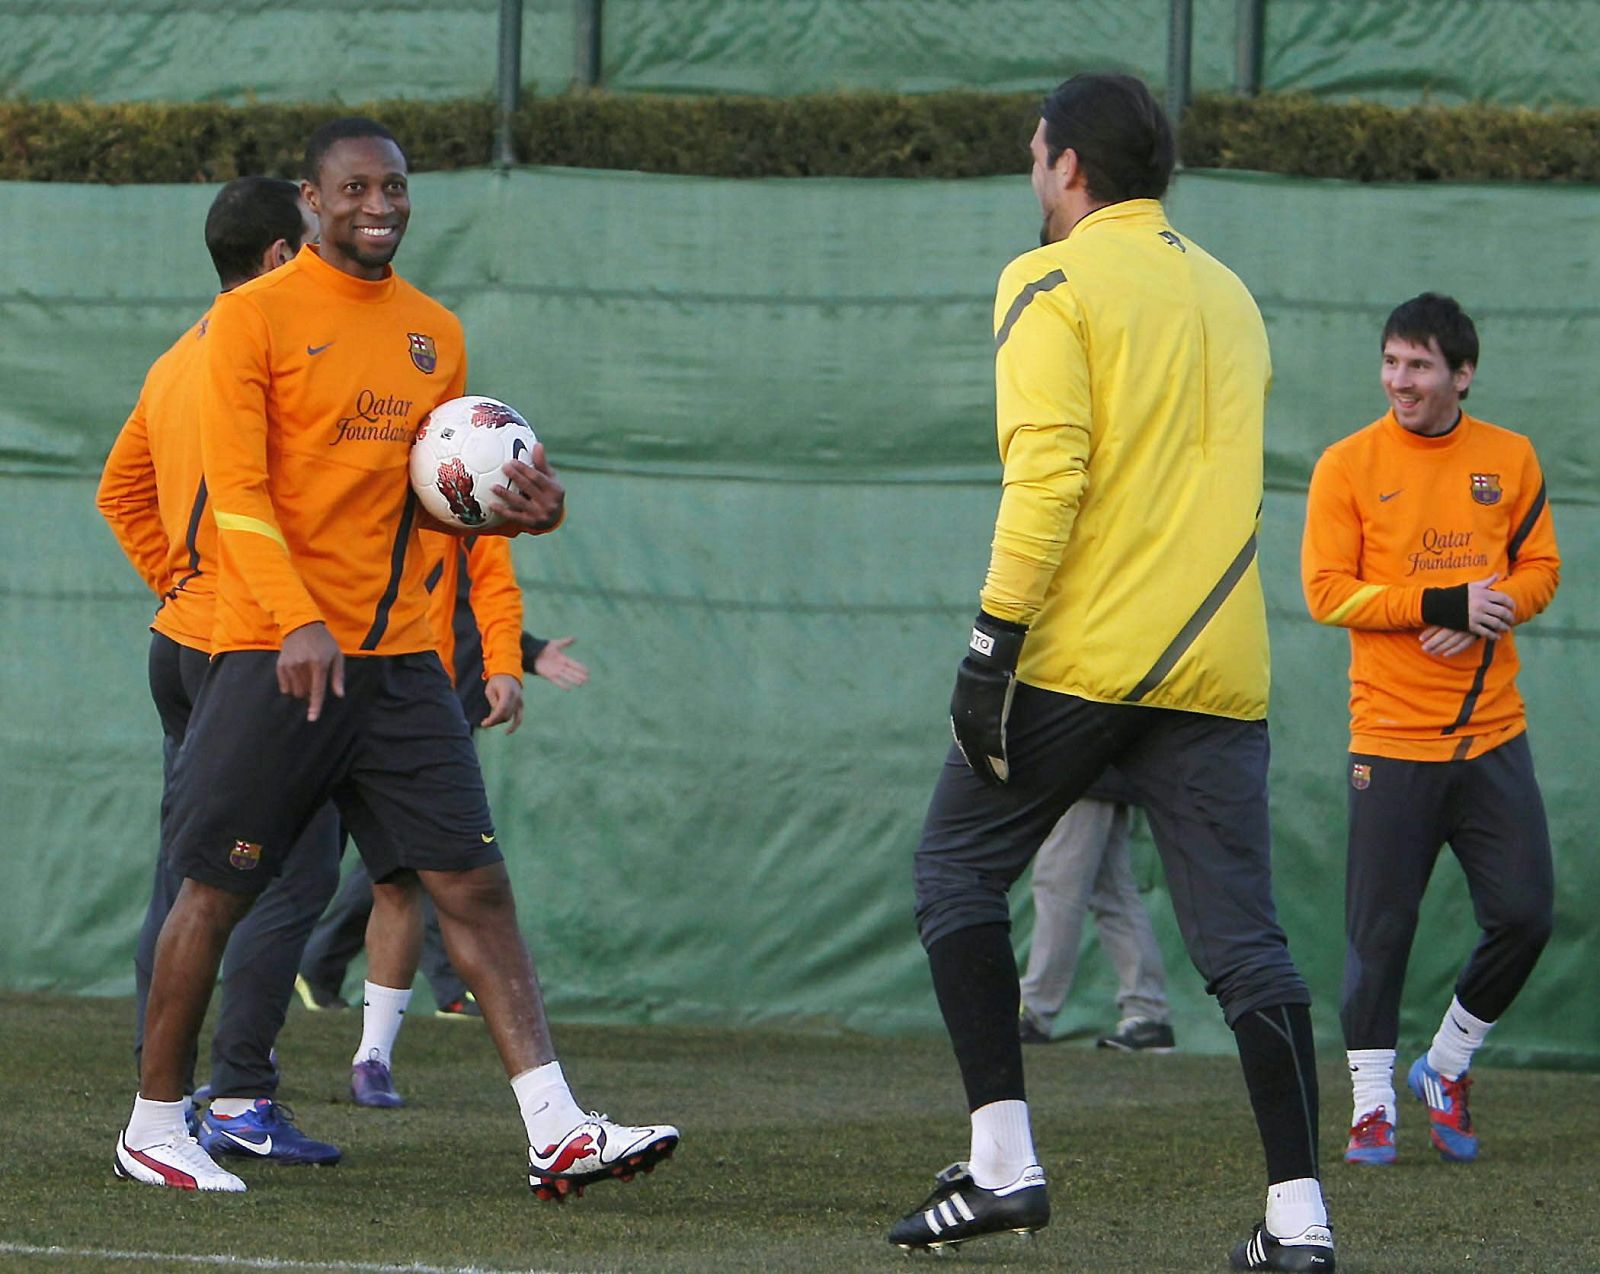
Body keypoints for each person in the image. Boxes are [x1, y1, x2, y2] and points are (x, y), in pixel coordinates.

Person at [113, 116, 678, 1199]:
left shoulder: (434, 332)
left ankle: (556, 1128)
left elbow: (441, 505)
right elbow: (238, 493)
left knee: (472, 885)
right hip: (277, 658)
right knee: (213, 892)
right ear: (313, 207)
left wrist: (526, 515)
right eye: (358, 188)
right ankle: (153, 1122)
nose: (382, 204)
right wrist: (293, 618)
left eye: (398, 187)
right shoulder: (252, 321)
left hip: (405, 664)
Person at [890, 74, 1332, 1271]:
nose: (1032, 175)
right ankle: (1299, 1220)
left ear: (1068, 167)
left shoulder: (1047, 278)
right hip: (1219, 664)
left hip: (1079, 660)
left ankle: (1002, 1165)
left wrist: (990, 646)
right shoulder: (1232, 293)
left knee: (952, 872)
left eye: (1036, 155)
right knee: (1246, 950)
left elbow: (1050, 478)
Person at [96, 176, 343, 1167]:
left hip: (183, 639)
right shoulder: (276, 350)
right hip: (255, 641)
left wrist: (178, 577)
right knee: (294, 869)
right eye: (318, 231)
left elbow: (119, 490)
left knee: (184, 870)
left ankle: (162, 1080)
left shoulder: (175, 356)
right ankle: (236, 1093)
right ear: (282, 257)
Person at [1301, 293, 1560, 1169]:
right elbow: (1328, 592)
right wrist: (1439, 603)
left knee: (1525, 914)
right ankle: (1372, 1107)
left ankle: (1445, 1065)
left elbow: (1541, 568)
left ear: (1462, 373)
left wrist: (1493, 608)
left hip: (1494, 736)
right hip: (1390, 740)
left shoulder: (1510, 458)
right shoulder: (1346, 465)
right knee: (1381, 933)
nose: (1399, 381)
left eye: (1418, 365)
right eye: (1391, 362)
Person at [299, 530, 592, 1111]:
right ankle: (241, 1075)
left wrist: (512, 659)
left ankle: (374, 1058)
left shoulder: (462, 462)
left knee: (409, 874)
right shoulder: (340, 462)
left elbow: (488, 580)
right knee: (283, 876)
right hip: (315, 680)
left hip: (418, 704)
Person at [1017, 770, 1176, 1052]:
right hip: (1098, 771)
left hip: (1084, 771)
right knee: (1112, 892)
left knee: (1058, 886)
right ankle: (1148, 1014)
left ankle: (1034, 1012)